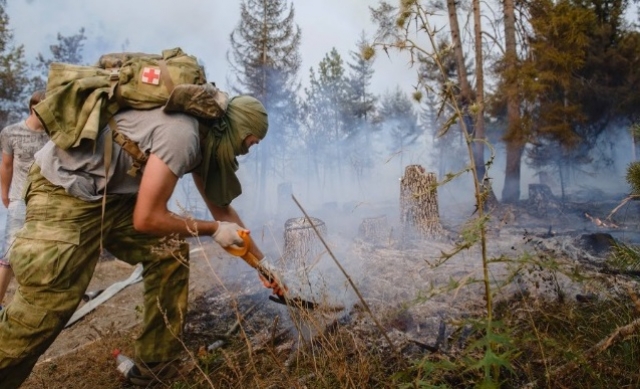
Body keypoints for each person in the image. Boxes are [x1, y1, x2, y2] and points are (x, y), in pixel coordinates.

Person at [0, 93, 276, 387]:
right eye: (250, 142)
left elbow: (221, 210)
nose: (247, 151)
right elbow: (147, 218)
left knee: (168, 252)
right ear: (236, 128)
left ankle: (154, 370)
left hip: (110, 198)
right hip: (63, 189)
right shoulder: (183, 135)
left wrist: (264, 266)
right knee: (45, 310)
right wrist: (212, 230)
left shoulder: (205, 140)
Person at [0, 90, 49, 310]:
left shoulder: (53, 135)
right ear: (34, 108)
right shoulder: (11, 132)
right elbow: (6, 165)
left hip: (47, 201)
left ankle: (35, 305)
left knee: (43, 252)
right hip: (20, 199)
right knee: (10, 253)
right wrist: (5, 192)